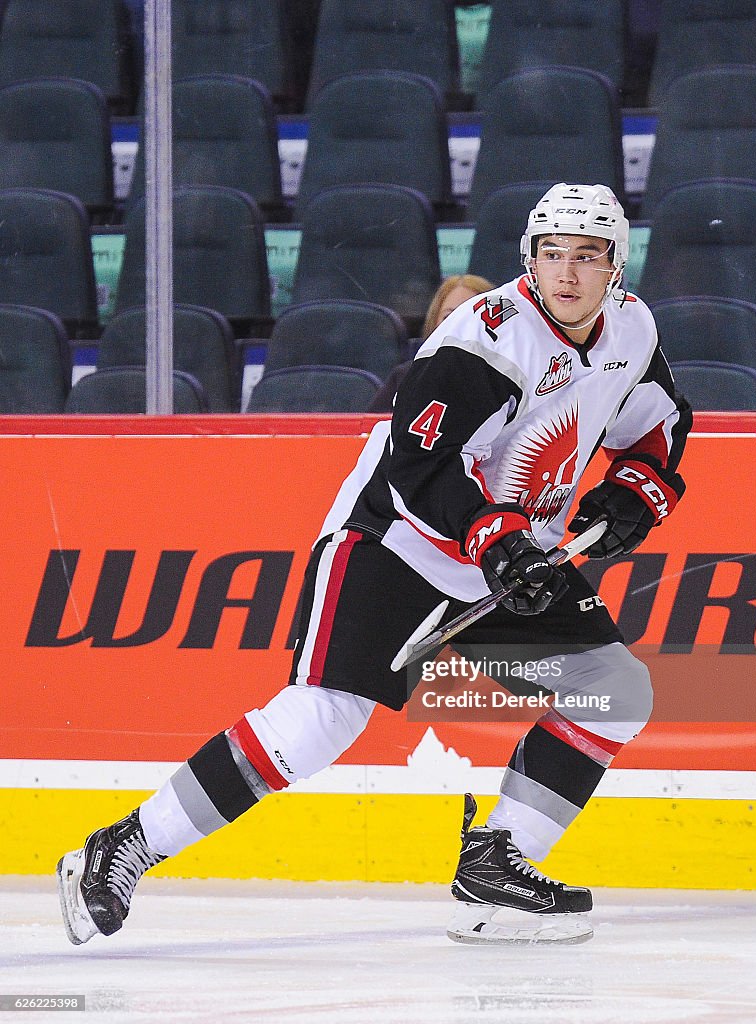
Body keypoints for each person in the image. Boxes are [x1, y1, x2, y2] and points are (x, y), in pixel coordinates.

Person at [57, 183, 691, 946]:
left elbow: (657, 424)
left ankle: (498, 865)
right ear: (528, 259)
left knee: (612, 688)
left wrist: (630, 494)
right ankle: (123, 845)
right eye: (550, 254)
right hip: (397, 542)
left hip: (506, 555)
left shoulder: (630, 331)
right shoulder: (484, 337)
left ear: (615, 266)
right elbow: (419, 462)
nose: (566, 273)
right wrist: (502, 539)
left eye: (585, 257)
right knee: (320, 721)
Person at [368, 274, 494, 413]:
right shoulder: (405, 377)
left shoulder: (509, 384)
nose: (458, 325)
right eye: (448, 316)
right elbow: (372, 430)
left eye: (471, 317)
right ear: (435, 322)